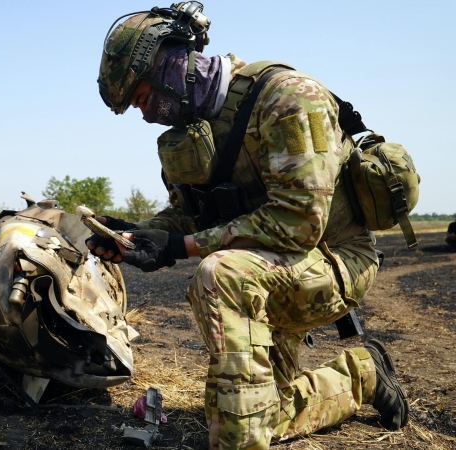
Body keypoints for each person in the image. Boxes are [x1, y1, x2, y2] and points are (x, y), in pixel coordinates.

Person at [88, 3, 409, 449]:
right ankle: (364, 374)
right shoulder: (191, 137)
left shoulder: (287, 98)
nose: (145, 115)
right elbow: (191, 216)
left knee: (219, 276)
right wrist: (139, 234)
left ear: (169, 65)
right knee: (261, 416)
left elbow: (298, 223)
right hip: (271, 266)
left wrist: (180, 246)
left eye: (142, 98)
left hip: (335, 259)